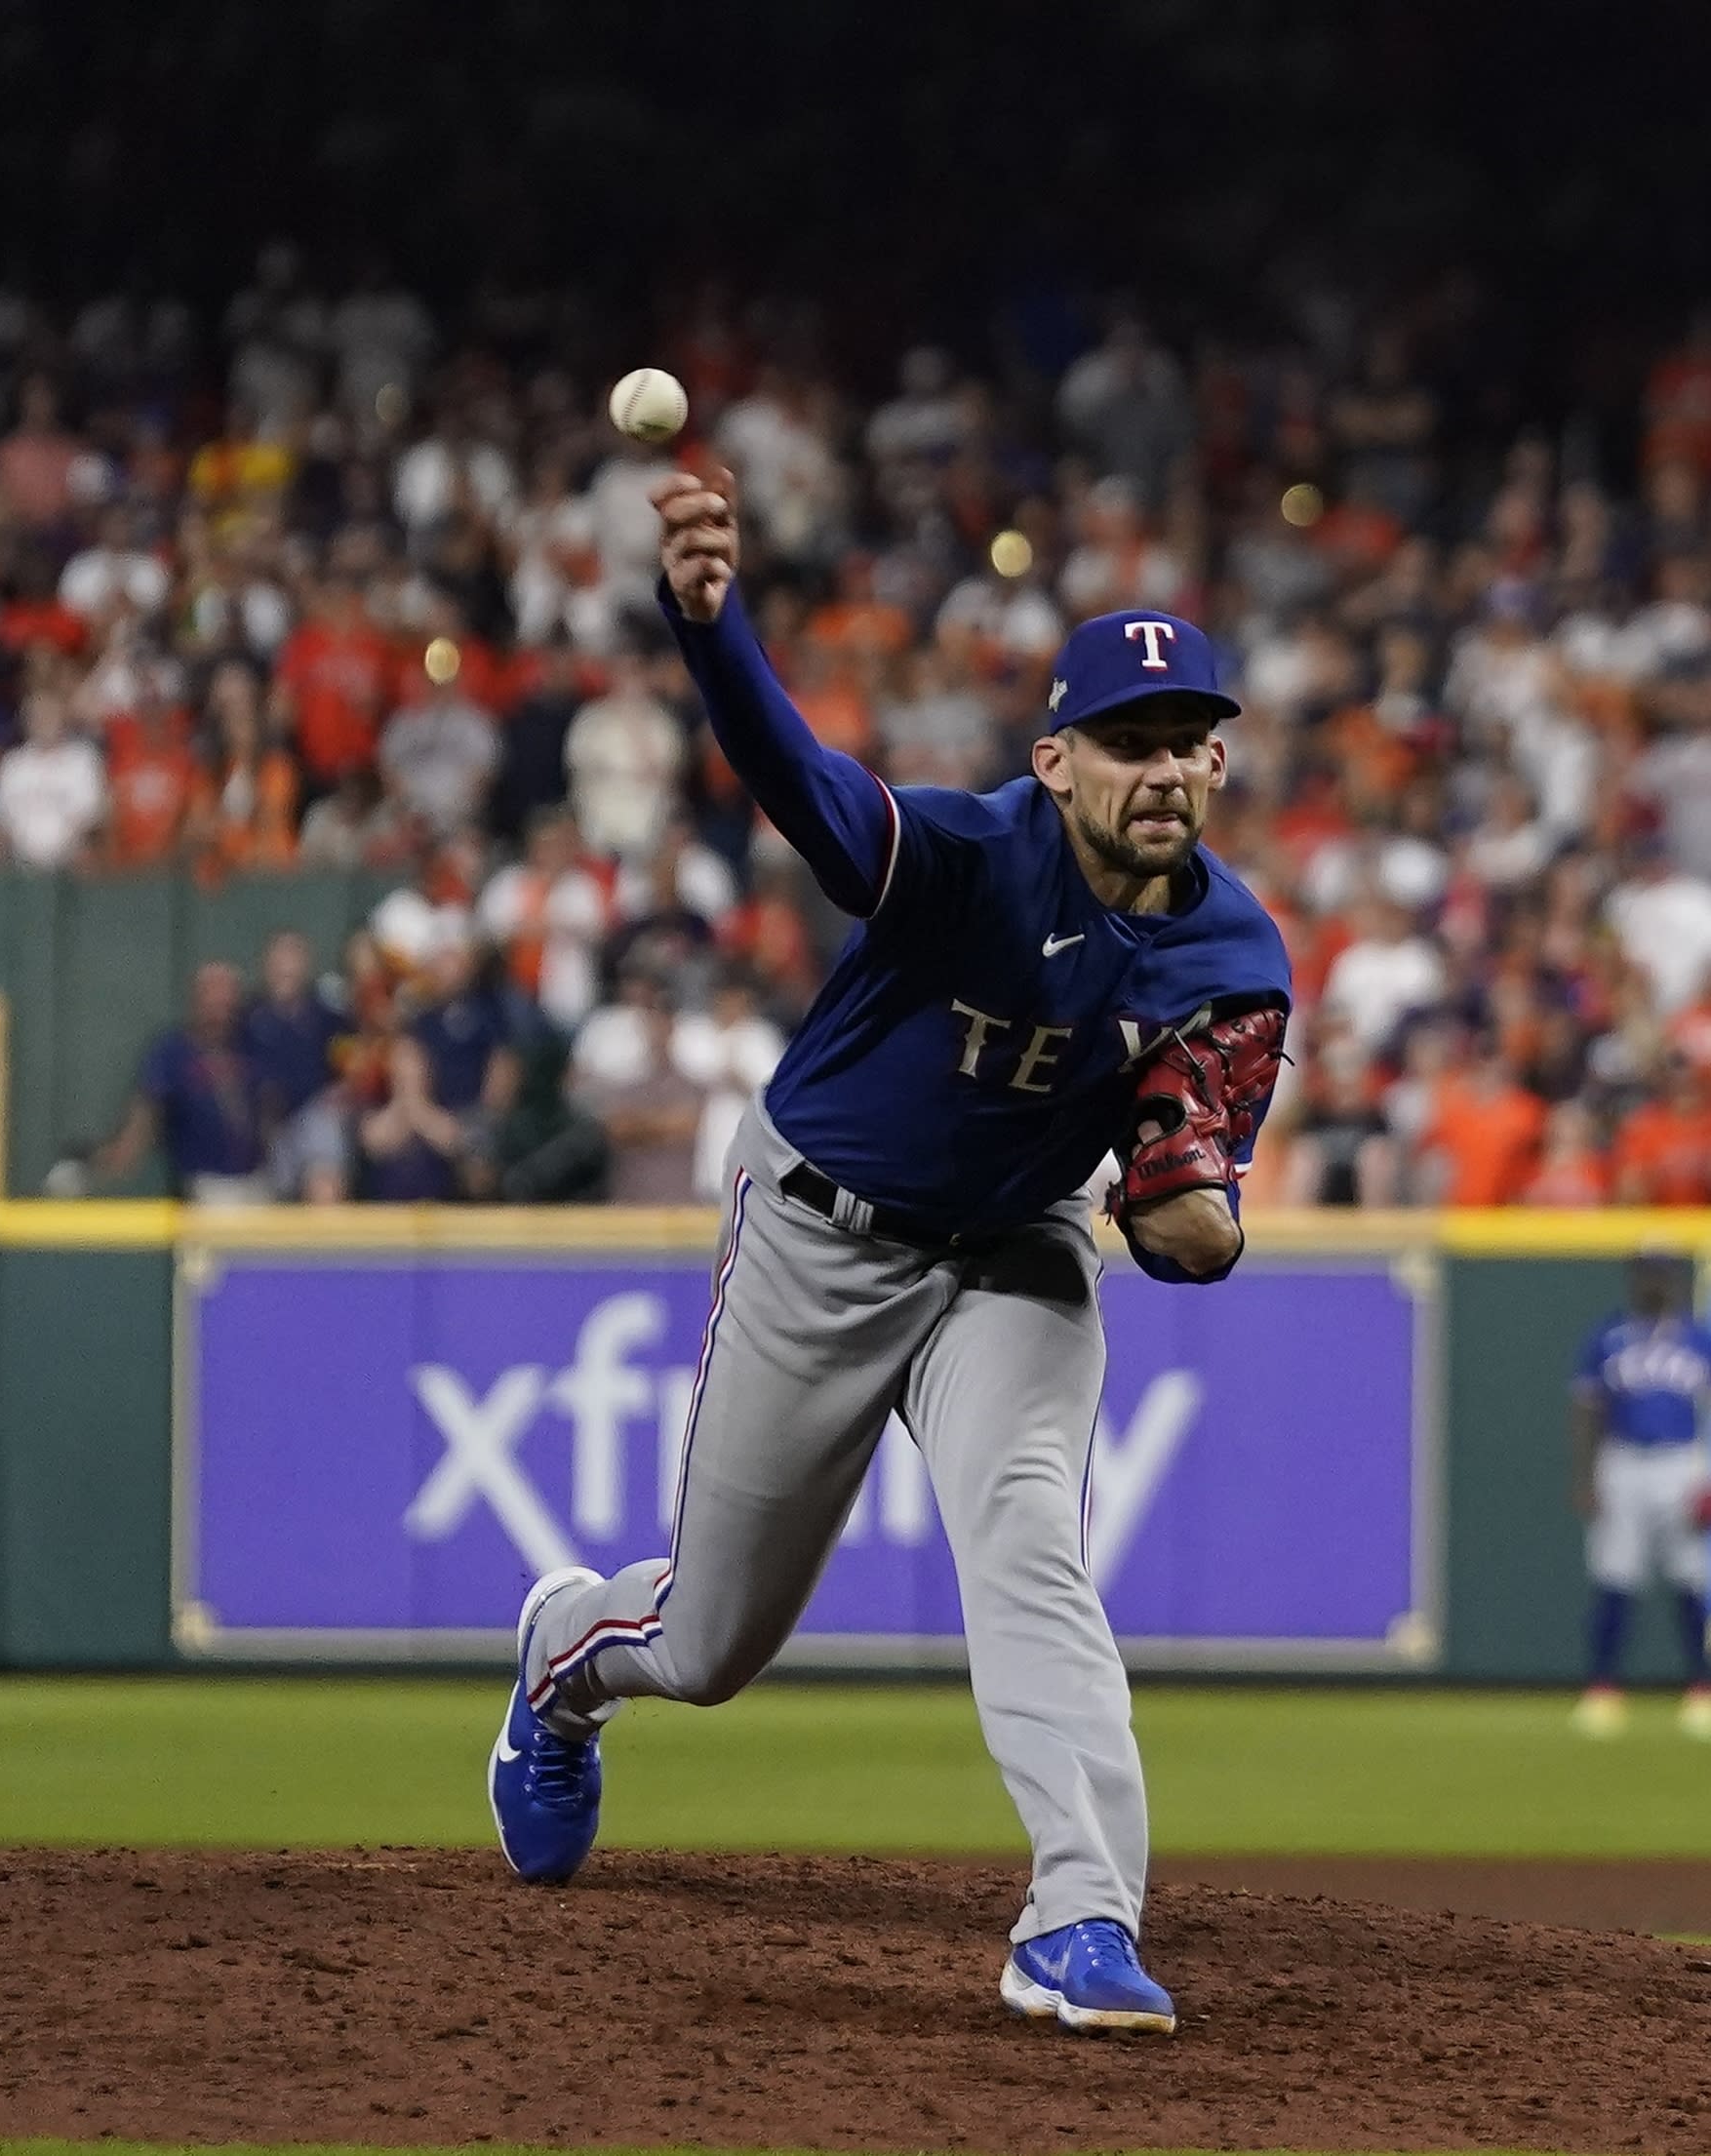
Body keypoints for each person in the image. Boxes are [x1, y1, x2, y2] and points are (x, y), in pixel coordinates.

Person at [491, 465, 1290, 2042]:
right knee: (708, 1641)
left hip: (1018, 1254)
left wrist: (1194, 1207)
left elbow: (1188, 1169)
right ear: (1053, 760)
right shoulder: (973, 857)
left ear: (1218, 760)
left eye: (1185, 741)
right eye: (1123, 742)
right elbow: (810, 790)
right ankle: (560, 1659)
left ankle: (1080, 1914)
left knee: (1030, 1547)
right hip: (821, 1234)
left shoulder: (1233, 952)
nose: (1160, 770)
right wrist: (711, 629)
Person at [1569, 1250, 1711, 1741]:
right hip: (1622, 1461)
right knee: (1615, 1577)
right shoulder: (1607, 1338)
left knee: (1692, 1577)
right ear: (1632, 1278)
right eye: (1645, 1272)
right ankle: (1602, 1688)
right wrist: (1584, 1476)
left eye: (1660, 1273)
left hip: (1682, 1463)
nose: (1653, 1282)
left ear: (1675, 1279)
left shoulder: (1699, 1339)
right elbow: (1586, 1410)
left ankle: (1703, 1688)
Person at [82, 959, 273, 1200]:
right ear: (196, 1000)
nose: (221, 1009)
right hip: (204, 1183)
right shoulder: (172, 1051)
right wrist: (112, 1157)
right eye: (213, 999)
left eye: (228, 1000)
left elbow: (273, 1110)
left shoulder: (251, 1047)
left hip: (258, 1181)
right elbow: (144, 1116)